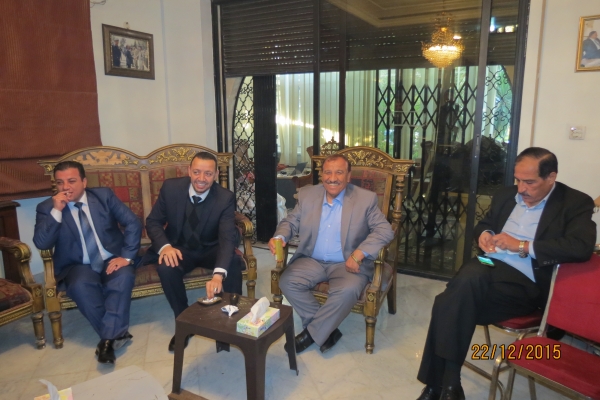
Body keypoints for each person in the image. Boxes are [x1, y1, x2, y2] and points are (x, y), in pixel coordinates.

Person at [416, 147, 596, 400]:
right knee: (465, 286)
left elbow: (580, 247)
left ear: (551, 177)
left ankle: (439, 385)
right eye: (518, 180)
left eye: (529, 182)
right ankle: (449, 386)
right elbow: (485, 224)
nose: (521, 188)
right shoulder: (505, 195)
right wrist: (484, 235)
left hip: (526, 279)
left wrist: (521, 245)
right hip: (488, 266)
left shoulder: (575, 202)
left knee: (448, 302)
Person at [268, 154, 394, 354]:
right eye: (328, 172)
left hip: (346, 262)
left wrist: (359, 254)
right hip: (311, 259)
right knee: (287, 282)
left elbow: (385, 230)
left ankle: (311, 335)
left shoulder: (365, 199)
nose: (332, 178)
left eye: (339, 173)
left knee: (347, 291)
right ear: (322, 174)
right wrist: (280, 237)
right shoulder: (308, 195)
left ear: (348, 176)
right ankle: (327, 331)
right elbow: (290, 222)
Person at [33, 161, 142, 364]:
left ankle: (106, 342)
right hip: (77, 265)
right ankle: (114, 336)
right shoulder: (47, 208)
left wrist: (126, 256)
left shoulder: (103, 196)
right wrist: (56, 212)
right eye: (60, 182)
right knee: (80, 286)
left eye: (71, 181)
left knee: (123, 278)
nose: (65, 187)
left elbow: (132, 222)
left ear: (84, 182)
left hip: (111, 258)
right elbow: (41, 243)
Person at [144, 151, 243, 351]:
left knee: (232, 262)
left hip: (211, 248)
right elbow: (153, 222)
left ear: (216, 175)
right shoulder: (171, 188)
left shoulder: (225, 198)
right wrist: (166, 247)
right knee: (166, 267)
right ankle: (184, 322)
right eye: (197, 172)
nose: (201, 178)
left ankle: (228, 324)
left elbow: (227, 239)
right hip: (180, 249)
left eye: (208, 174)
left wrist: (218, 275)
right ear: (189, 171)